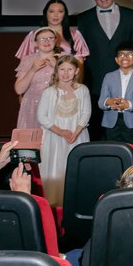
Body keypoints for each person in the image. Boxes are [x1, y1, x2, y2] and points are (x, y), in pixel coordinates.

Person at [76, 0, 133, 139]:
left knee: (126, 129)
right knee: (97, 129)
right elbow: (81, 51)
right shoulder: (84, 18)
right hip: (95, 80)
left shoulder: (130, 15)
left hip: (126, 78)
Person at [37, 55, 90, 205]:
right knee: (55, 167)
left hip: (77, 136)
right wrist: (60, 131)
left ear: (76, 71)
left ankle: (76, 203)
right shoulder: (49, 92)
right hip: (54, 137)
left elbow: (86, 113)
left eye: (70, 69)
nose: (66, 73)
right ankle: (54, 202)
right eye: (62, 69)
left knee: (73, 168)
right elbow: (41, 116)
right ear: (56, 71)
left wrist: (76, 132)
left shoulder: (82, 90)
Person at [99, 42, 133, 147]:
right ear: (116, 59)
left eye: (129, 54)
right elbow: (101, 101)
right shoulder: (109, 76)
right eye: (121, 55)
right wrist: (108, 102)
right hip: (111, 123)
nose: (125, 57)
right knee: (112, 151)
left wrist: (128, 104)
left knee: (132, 152)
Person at [14, 27, 61, 128]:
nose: (46, 41)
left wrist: (57, 67)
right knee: (33, 136)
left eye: (50, 38)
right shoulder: (27, 60)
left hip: (57, 105)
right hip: (32, 106)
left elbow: (72, 84)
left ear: (56, 40)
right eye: (42, 39)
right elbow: (19, 89)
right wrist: (32, 70)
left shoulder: (64, 58)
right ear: (35, 43)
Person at [15, 0, 89, 60]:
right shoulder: (33, 35)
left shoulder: (74, 34)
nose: (56, 15)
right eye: (51, 11)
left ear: (65, 14)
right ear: (46, 13)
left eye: (60, 11)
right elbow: (25, 63)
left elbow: (80, 64)